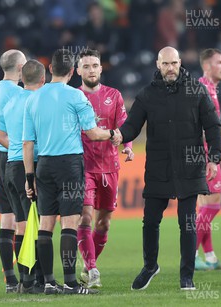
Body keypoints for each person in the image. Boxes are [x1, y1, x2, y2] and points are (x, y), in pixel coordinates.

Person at [112, 46, 221, 291]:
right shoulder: (147, 95)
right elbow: (132, 126)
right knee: (150, 221)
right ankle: (150, 266)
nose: (170, 68)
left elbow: (213, 127)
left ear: (180, 62)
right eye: (165, 64)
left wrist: (214, 159)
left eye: (174, 63)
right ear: (158, 65)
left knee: (187, 223)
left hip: (190, 166)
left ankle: (187, 276)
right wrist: (117, 136)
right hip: (159, 167)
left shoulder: (197, 90)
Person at [23, 48, 114, 295]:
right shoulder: (76, 97)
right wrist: (115, 134)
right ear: (73, 72)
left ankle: (50, 283)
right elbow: (94, 134)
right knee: (70, 224)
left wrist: (29, 177)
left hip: (44, 166)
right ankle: (71, 283)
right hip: (70, 165)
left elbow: (27, 143)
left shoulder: (32, 98)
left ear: (50, 69)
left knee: (46, 224)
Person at [75, 49, 134, 288]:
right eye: (86, 66)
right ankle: (93, 268)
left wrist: (128, 146)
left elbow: (123, 125)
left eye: (95, 65)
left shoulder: (114, 95)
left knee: (104, 223)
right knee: (85, 218)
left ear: (101, 68)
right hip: (82, 166)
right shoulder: (73, 96)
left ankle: (89, 265)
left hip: (110, 166)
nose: (91, 70)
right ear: (78, 71)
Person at [0, 59, 45, 293]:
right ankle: (35, 278)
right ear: (43, 80)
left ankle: (25, 280)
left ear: (22, 79)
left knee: (22, 223)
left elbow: (0, 135)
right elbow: (36, 138)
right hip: (28, 165)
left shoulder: (10, 102)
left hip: (9, 166)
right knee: (37, 222)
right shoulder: (36, 101)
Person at [0, 49, 26, 293]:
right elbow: (10, 134)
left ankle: (10, 280)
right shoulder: (18, 93)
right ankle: (27, 278)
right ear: (21, 68)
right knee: (22, 220)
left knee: (7, 219)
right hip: (13, 157)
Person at [194, 48, 221, 271]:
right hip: (203, 155)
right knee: (212, 206)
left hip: (207, 153)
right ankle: (191, 254)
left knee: (204, 207)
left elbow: (213, 128)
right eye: (220, 62)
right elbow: (200, 127)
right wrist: (217, 155)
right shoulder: (202, 90)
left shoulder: (210, 88)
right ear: (207, 66)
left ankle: (209, 256)